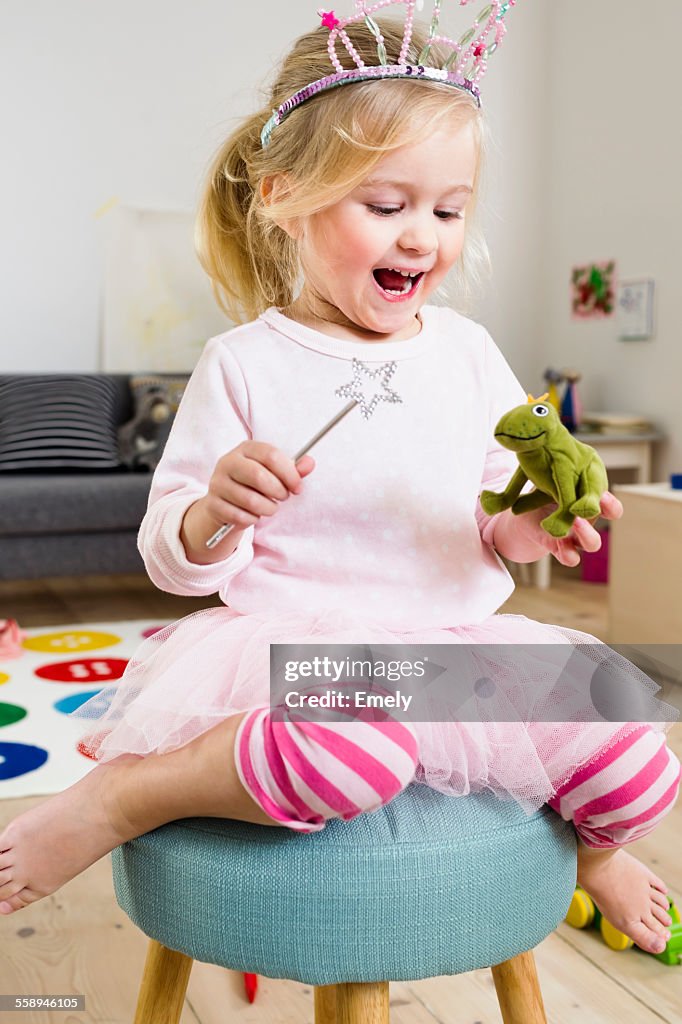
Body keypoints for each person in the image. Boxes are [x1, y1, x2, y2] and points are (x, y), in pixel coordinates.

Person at [0, 3, 679, 958]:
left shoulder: (470, 350)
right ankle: (119, 796)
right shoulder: (243, 362)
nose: (423, 238)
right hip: (307, 657)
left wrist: (528, 529)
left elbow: (487, 505)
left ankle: (595, 852)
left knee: (635, 747)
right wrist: (210, 514)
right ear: (284, 196)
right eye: (387, 205)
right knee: (354, 749)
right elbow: (169, 556)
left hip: (452, 652)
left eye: (448, 210)